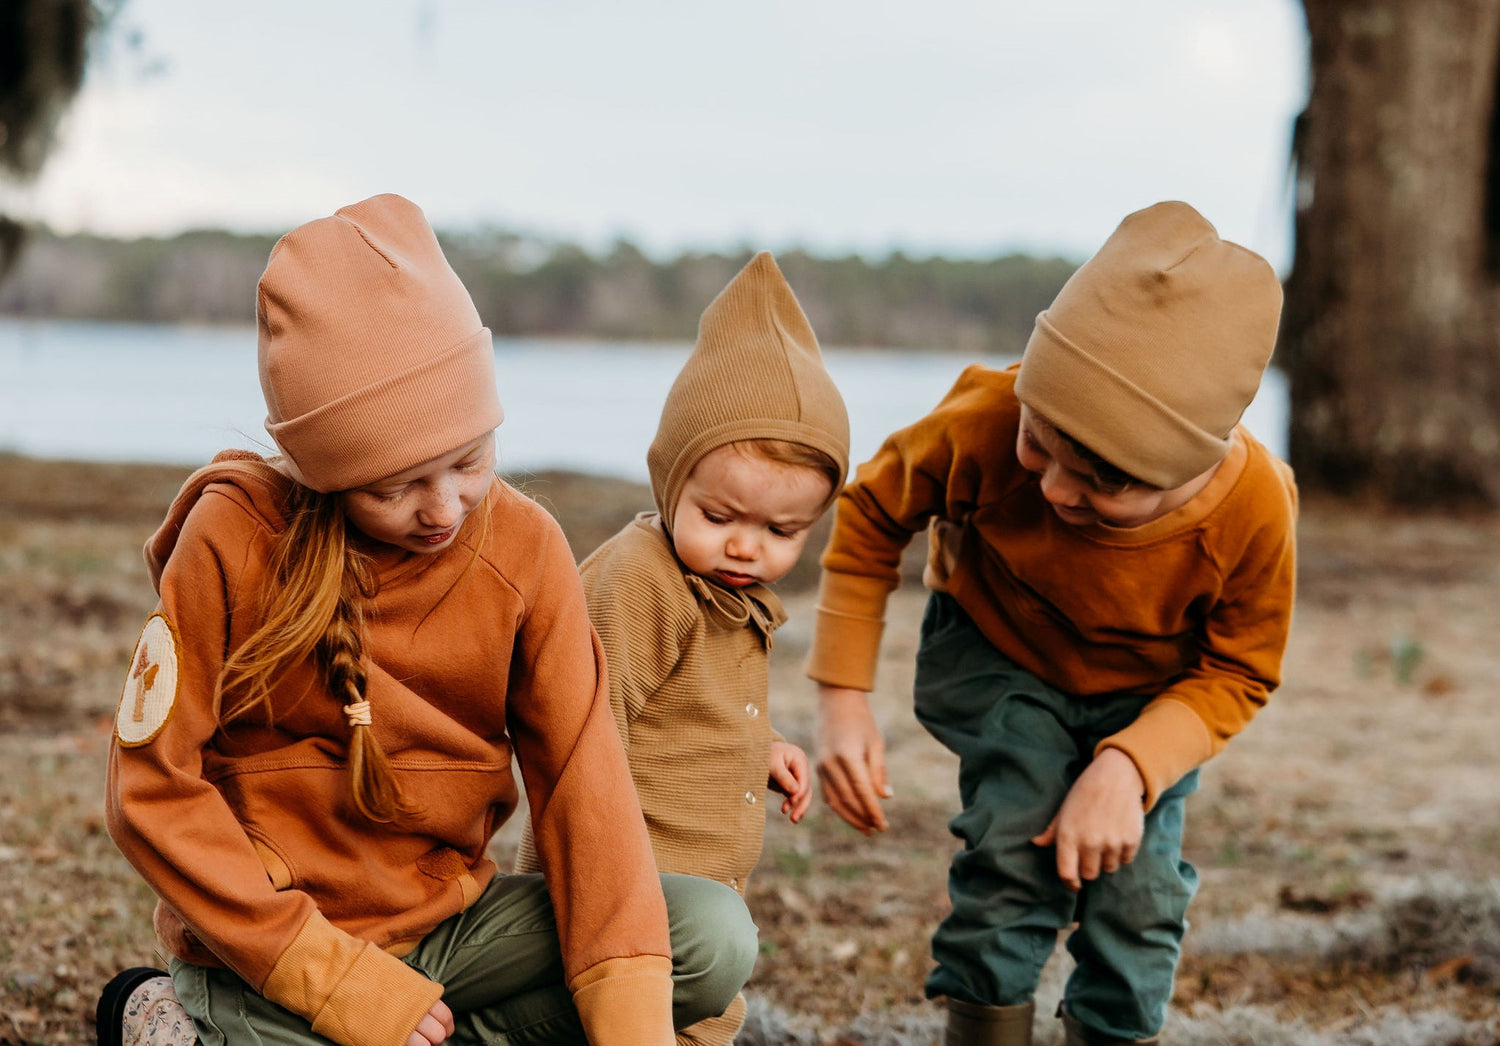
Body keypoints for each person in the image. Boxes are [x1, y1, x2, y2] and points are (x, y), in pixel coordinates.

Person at [97, 194, 757, 1046]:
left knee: (706, 938)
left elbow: (584, 793)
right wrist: (338, 987)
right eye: (392, 486)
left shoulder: (526, 550)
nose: (443, 509)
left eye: (470, 460)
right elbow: (148, 792)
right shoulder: (232, 541)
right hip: (273, 953)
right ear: (324, 471)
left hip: (456, 932)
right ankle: (169, 1016)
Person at [807, 202, 1297, 1046]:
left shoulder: (1254, 510)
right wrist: (842, 696)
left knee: (1139, 899)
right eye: (1043, 443)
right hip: (998, 650)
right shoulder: (986, 422)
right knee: (1016, 851)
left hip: (1152, 697)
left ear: (1199, 460)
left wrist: (1130, 768)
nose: (1058, 489)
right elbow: (872, 516)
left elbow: (1240, 669)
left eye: (1106, 480)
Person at [513, 251, 849, 1046]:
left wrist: (757, 747)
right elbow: (579, 736)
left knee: (703, 1011)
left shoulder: (730, 598)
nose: (746, 547)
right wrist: (602, 898)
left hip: (699, 911)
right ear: (671, 481)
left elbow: (689, 710)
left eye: (781, 532)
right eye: (720, 514)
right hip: (615, 908)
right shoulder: (639, 582)